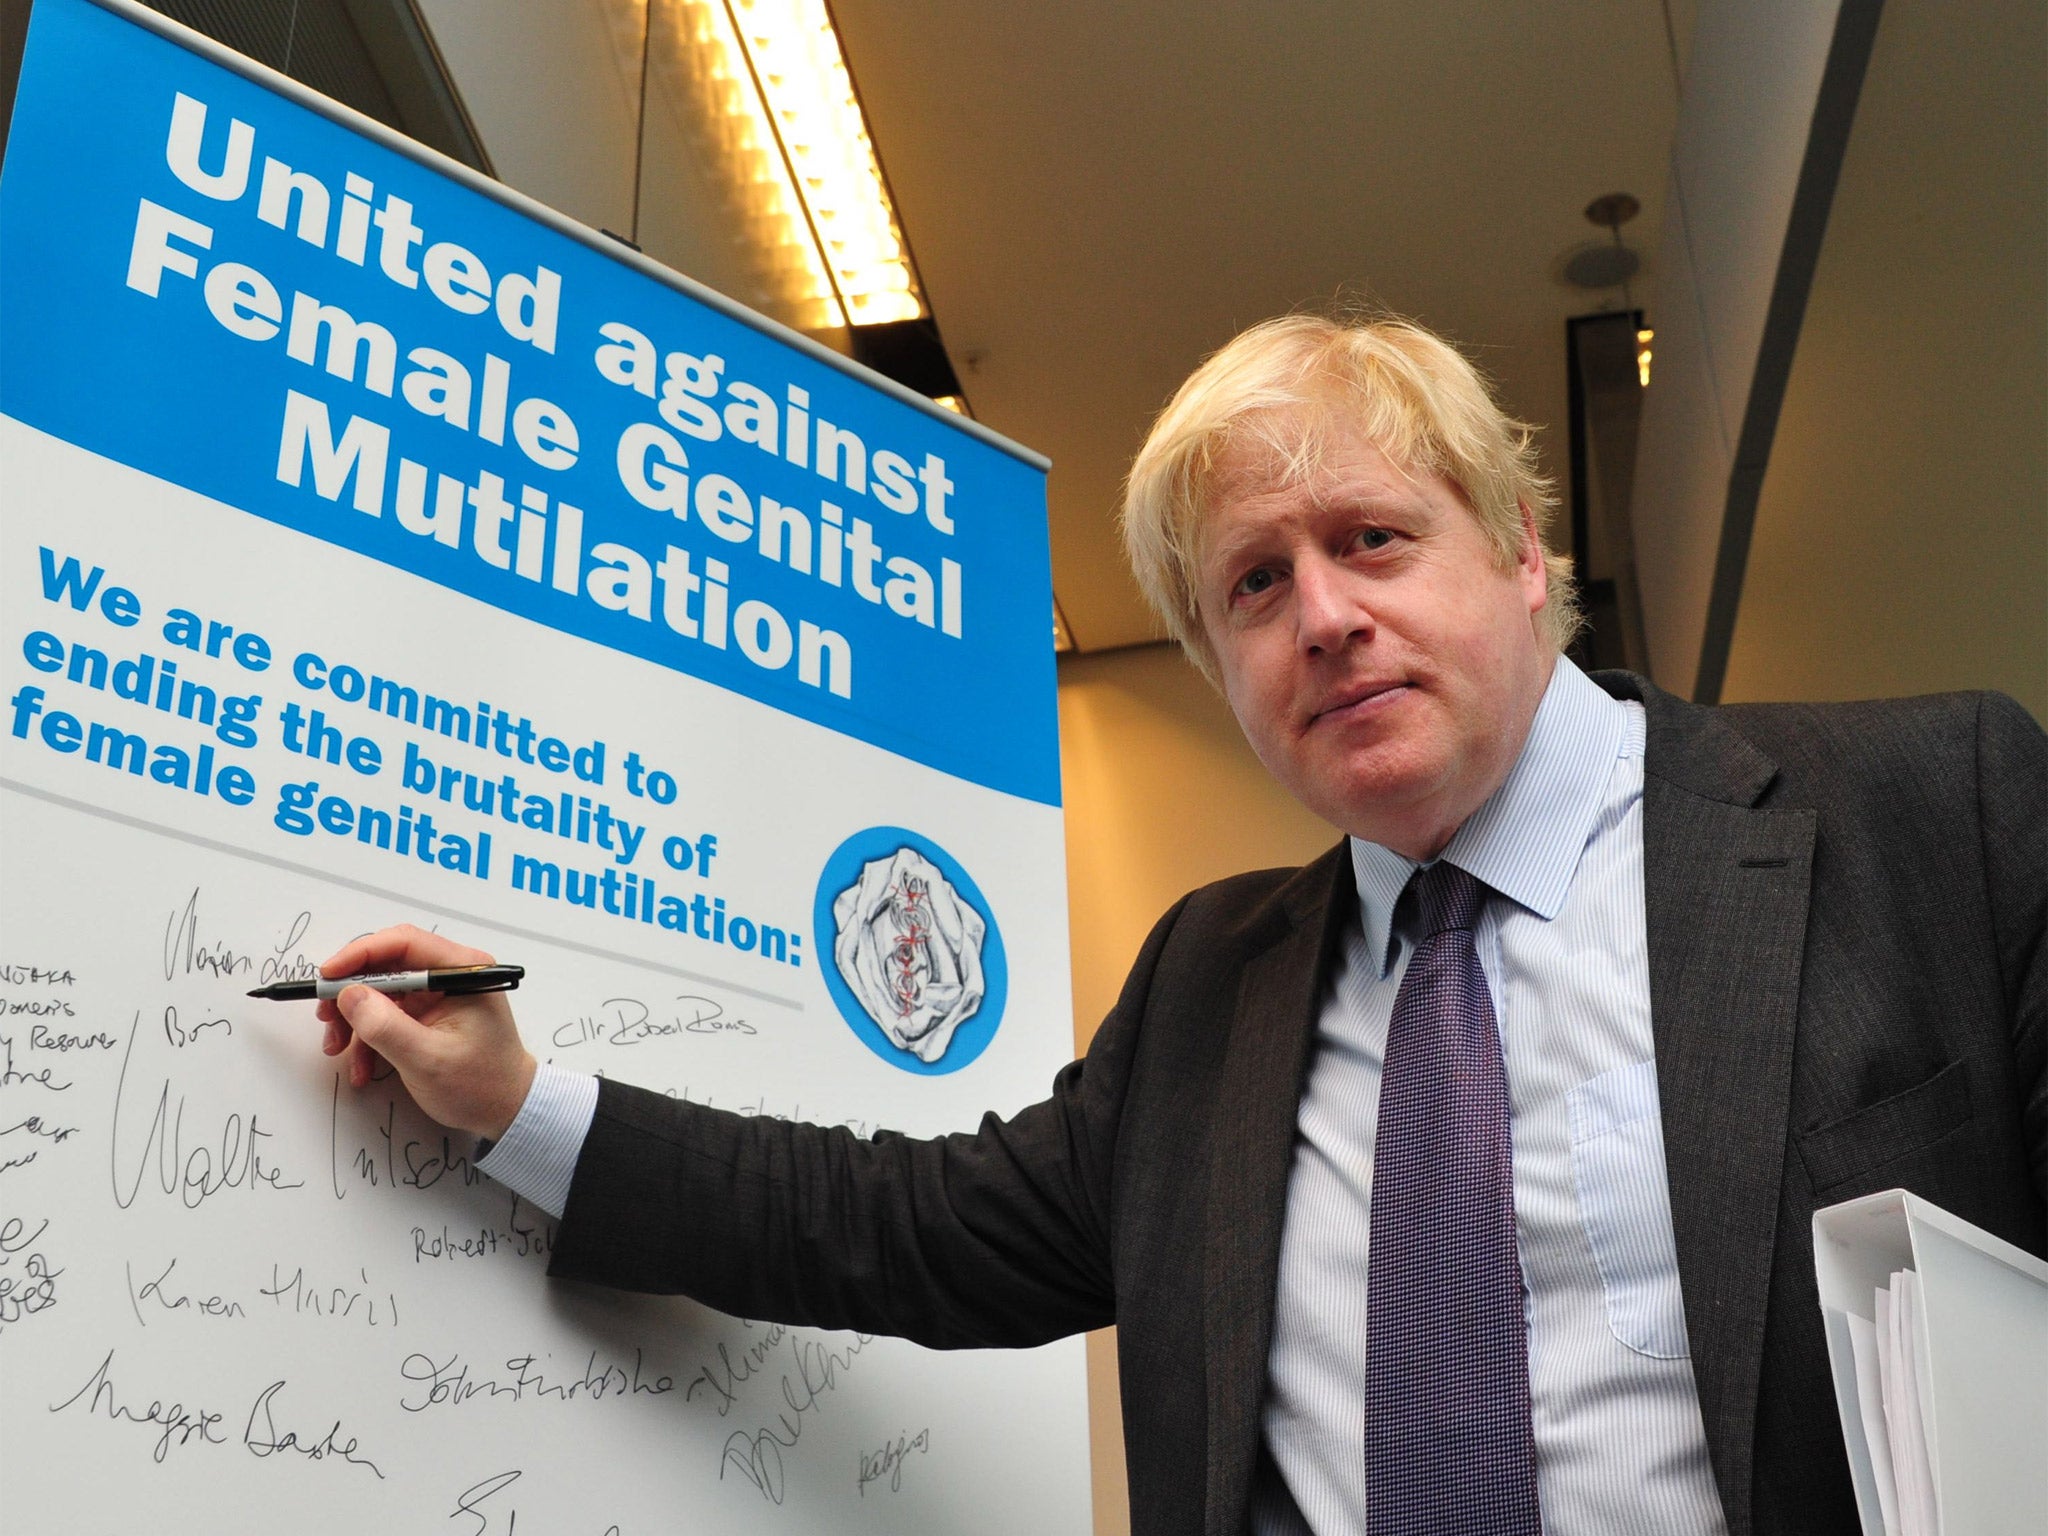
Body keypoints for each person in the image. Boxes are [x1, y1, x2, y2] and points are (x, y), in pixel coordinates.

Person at [315, 314, 2046, 1536]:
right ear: (1219, 664)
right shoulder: (1214, 983)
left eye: (1374, 537)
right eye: (1254, 586)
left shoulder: (1928, 809)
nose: (1328, 617)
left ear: (1520, 552)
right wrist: (516, 1099)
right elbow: (903, 1228)